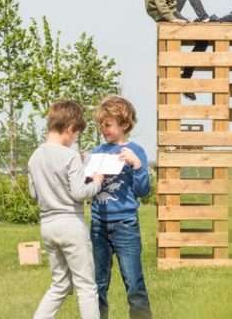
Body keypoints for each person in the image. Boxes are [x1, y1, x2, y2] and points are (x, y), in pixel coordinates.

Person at [28, 101, 104, 319]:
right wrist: (97, 181)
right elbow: (80, 192)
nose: (74, 140)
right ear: (70, 128)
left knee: (60, 284)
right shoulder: (70, 156)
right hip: (71, 224)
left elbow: (34, 194)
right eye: (76, 135)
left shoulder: (34, 157)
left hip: (48, 226)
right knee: (86, 286)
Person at [89, 96, 152, 319]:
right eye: (101, 125)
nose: (103, 129)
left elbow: (144, 191)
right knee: (98, 284)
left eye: (107, 124)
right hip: (98, 225)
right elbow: (88, 190)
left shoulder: (136, 151)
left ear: (124, 124)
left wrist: (136, 165)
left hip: (126, 225)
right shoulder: (96, 152)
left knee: (134, 282)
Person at [144, 0, 210, 99]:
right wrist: (172, 19)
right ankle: (185, 77)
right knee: (203, 41)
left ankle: (205, 18)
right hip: (164, 13)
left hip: (166, 8)